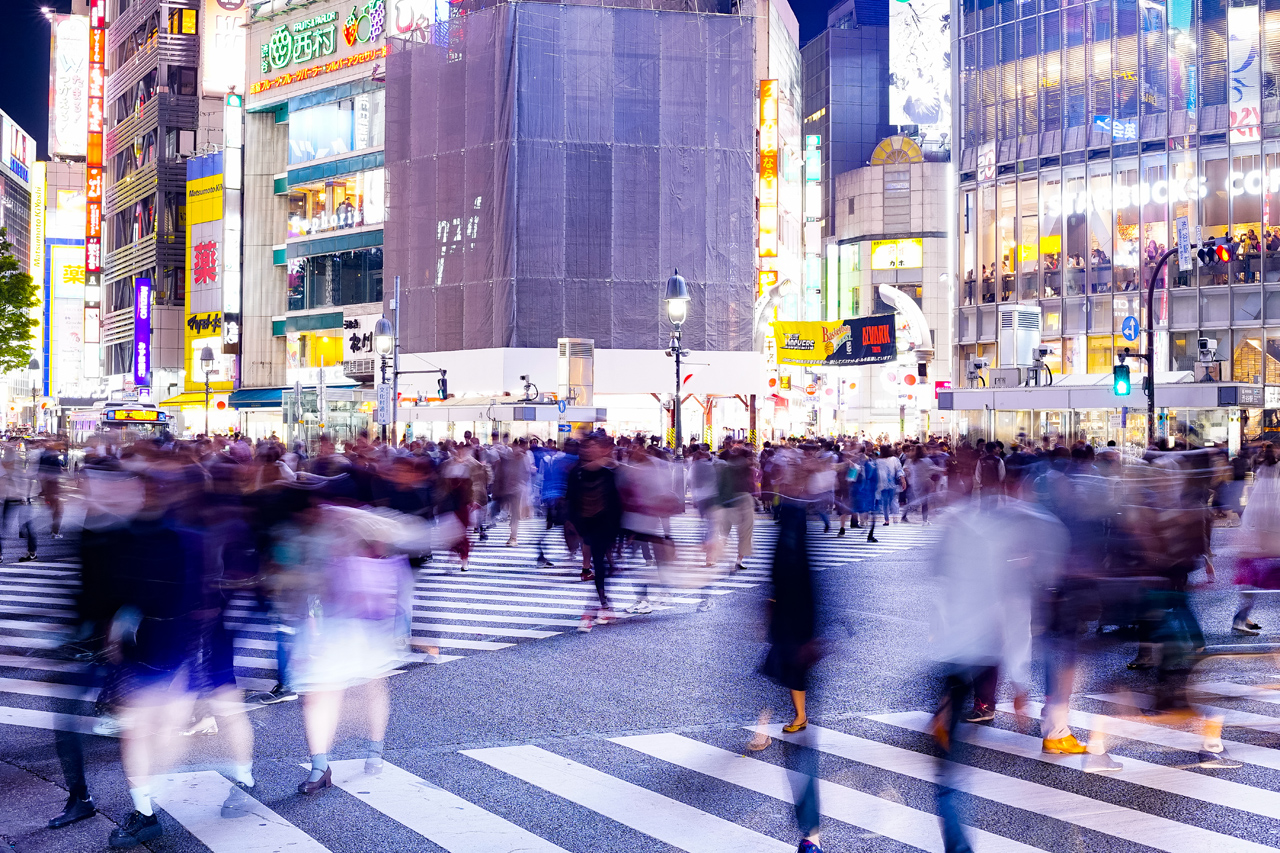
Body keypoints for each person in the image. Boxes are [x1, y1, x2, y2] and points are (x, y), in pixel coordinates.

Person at [567, 435, 622, 632]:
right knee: (600, 565)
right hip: (586, 523)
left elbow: (617, 501)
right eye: (586, 447)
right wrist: (573, 524)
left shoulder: (609, 472)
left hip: (605, 524)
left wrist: (618, 530)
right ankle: (604, 605)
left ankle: (596, 608)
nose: (588, 451)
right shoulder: (577, 473)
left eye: (593, 447)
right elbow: (571, 499)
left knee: (600, 564)